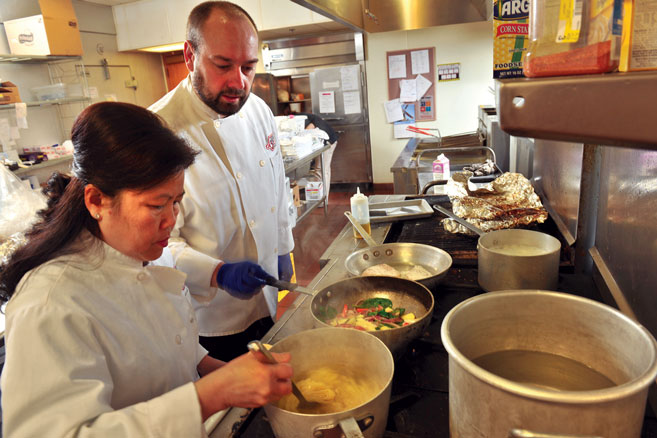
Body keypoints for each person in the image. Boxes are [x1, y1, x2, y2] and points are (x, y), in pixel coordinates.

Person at [0, 102, 293, 437]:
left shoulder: (132, 253)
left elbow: (168, 345)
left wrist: (224, 372)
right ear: (96, 201)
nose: (172, 220)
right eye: (156, 205)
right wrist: (210, 395)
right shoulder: (50, 304)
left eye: (176, 201)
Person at [149, 1, 294, 361]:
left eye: (248, 67)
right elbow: (155, 240)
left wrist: (283, 247)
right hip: (208, 317)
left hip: (267, 296)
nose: (238, 82)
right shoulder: (156, 131)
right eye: (223, 65)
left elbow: (276, 188)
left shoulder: (259, 111)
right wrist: (216, 273)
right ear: (189, 55)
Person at [296, 112, 339, 200]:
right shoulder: (301, 118)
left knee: (321, 170)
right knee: (323, 170)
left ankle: (322, 199)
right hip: (324, 141)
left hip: (328, 142)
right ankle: (322, 197)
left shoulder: (300, 121)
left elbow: (308, 131)